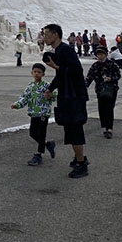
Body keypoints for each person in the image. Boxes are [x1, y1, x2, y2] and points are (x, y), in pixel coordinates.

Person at [41, 24, 89, 179]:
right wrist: (51, 88)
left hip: (74, 96)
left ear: (55, 35)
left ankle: (82, 165)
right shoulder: (60, 50)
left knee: (75, 129)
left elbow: (77, 70)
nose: (45, 37)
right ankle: (79, 158)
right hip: (68, 96)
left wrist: (56, 67)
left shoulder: (65, 50)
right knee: (70, 128)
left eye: (47, 34)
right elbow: (61, 75)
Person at [11, 62, 56, 166]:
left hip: (43, 114)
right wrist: (17, 105)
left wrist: (51, 95)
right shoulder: (30, 87)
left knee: (41, 133)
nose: (36, 74)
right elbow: (24, 98)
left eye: (39, 72)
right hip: (34, 113)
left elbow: (54, 94)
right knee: (32, 133)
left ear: (43, 74)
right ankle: (48, 144)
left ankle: (38, 155)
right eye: (35, 72)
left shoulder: (46, 86)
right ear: (31, 73)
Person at [85, 46, 121, 139]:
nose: (100, 56)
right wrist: (85, 86)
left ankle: (109, 128)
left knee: (109, 108)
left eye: (101, 54)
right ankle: (105, 125)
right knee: (102, 108)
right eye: (98, 54)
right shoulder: (95, 65)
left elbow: (118, 75)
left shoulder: (112, 64)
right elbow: (89, 77)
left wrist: (111, 78)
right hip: (100, 90)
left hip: (111, 89)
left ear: (105, 54)